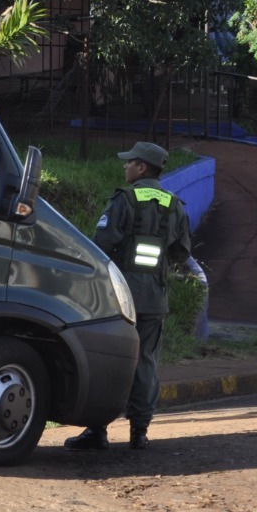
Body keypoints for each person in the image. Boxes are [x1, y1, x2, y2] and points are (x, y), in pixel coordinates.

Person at [66, 140, 192, 452]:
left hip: (120, 298)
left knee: (110, 359)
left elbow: (101, 244)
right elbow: (181, 252)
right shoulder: (174, 204)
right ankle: (139, 432)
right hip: (154, 298)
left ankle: (98, 430)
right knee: (145, 362)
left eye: (130, 162)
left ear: (142, 167)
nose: (125, 166)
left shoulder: (125, 199)